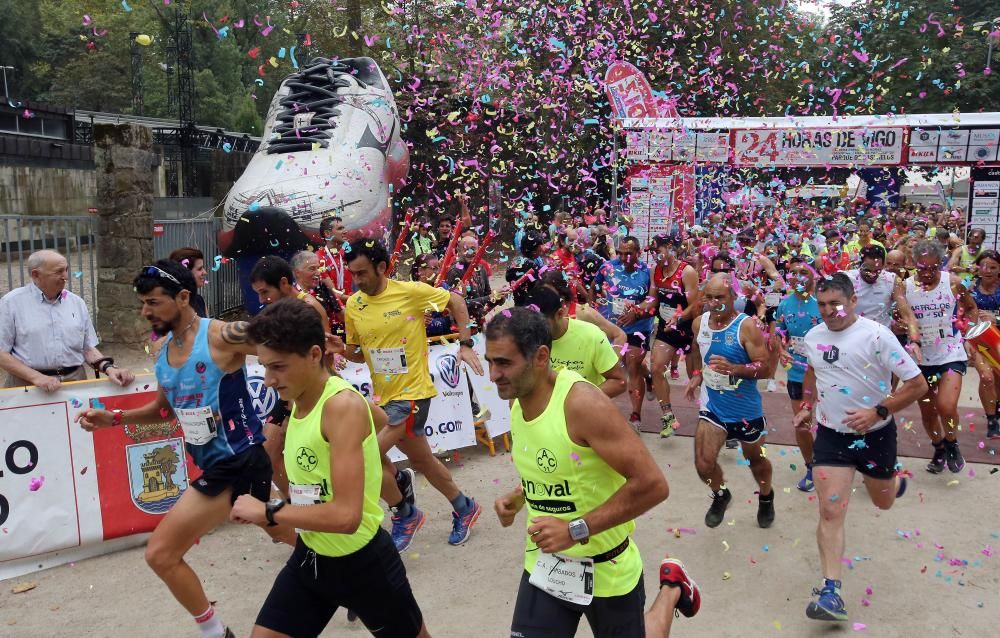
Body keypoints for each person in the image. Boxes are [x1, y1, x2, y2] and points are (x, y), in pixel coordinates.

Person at [75, 260, 286, 638]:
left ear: (184, 297)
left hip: (239, 459)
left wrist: (294, 402)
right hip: (217, 463)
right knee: (280, 529)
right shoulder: (164, 354)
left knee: (161, 553)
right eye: (143, 303)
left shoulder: (222, 334)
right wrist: (115, 419)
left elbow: (286, 347)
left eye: (153, 302)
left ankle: (216, 633)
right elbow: (163, 411)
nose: (145, 311)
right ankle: (349, 559)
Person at [486, 307, 701, 638]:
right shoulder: (518, 401)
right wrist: (519, 497)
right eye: (490, 361)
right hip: (547, 565)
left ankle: (672, 588)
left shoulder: (582, 404)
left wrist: (573, 530)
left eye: (504, 363)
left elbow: (653, 485)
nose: (493, 375)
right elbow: (563, 468)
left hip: (606, 567)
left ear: (541, 357)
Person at [233, 298, 430, 638]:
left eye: (277, 367)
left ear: (313, 355)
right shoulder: (300, 398)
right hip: (312, 558)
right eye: (264, 367)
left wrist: (269, 511)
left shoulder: (341, 406)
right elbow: (379, 418)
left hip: (364, 565)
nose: (268, 379)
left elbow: (346, 518)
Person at [794, 272, 927, 622]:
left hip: (876, 435)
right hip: (832, 435)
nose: (829, 311)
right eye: (822, 304)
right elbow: (812, 373)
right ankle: (830, 591)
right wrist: (807, 406)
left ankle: (894, 483)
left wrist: (878, 411)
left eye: (836, 303)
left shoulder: (877, 336)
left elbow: (917, 385)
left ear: (853, 301)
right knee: (830, 511)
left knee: (882, 500)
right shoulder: (813, 336)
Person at [343, 238, 484, 552]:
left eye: (362, 273)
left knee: (364, 454)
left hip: (413, 395)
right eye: (353, 274)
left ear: (382, 267)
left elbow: (457, 302)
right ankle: (464, 506)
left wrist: (465, 343)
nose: (357, 280)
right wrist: (337, 350)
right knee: (424, 461)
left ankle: (404, 512)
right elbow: (357, 355)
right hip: (385, 397)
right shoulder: (355, 304)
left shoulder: (411, 292)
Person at [684, 273, 775, 529]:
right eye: (709, 298)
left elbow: (765, 368)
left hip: (745, 410)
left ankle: (766, 497)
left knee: (757, 461)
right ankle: (722, 495)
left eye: (720, 297)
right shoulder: (699, 323)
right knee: (703, 464)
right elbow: (696, 351)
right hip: (713, 407)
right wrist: (696, 375)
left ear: (734, 297)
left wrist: (735, 368)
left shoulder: (746, 326)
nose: (714, 303)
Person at [0, 249, 134, 391]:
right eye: (58, 272)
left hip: (74, 384)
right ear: (36, 275)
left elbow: (86, 347)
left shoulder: (76, 303)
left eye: (66, 270)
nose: (66, 277)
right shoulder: (11, 303)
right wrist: (36, 377)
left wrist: (109, 368)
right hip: (27, 387)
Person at [904, 240, 976, 474]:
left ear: (941, 265)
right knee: (928, 412)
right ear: (914, 264)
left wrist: (970, 335)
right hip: (922, 359)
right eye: (921, 268)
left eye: (932, 268)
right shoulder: (905, 287)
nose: (926, 273)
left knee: (946, 405)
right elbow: (901, 317)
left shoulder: (953, 283)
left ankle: (952, 443)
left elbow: (972, 308)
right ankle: (938, 448)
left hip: (950, 353)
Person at [595, 236, 657, 429]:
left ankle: (635, 416)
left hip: (639, 328)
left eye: (628, 253)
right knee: (614, 365)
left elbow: (654, 301)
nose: (623, 257)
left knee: (632, 365)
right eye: (620, 253)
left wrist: (637, 314)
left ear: (638, 253)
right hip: (613, 328)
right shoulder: (608, 267)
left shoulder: (648, 272)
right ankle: (649, 376)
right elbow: (595, 288)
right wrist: (595, 303)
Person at [520, 284, 626, 397]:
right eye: (532, 323)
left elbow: (619, 382)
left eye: (542, 323)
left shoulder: (591, 335)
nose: (536, 329)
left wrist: (578, 400)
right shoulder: (527, 338)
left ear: (560, 314)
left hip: (585, 410)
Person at [775, 256, 823, 491]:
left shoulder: (824, 302)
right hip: (796, 373)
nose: (797, 277)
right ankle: (811, 467)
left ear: (814, 276)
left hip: (827, 374)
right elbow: (778, 331)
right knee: (802, 424)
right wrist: (781, 350)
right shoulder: (784, 304)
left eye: (803, 272)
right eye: (793, 272)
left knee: (830, 423)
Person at [649, 235, 700, 438]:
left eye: (657, 250)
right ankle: (668, 415)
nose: (654, 255)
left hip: (688, 330)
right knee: (656, 368)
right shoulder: (656, 270)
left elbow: (694, 306)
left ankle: (713, 412)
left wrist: (679, 318)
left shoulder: (687, 272)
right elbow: (652, 299)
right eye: (652, 252)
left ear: (670, 247)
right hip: (666, 329)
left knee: (696, 375)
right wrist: (635, 308)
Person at [967, 249, 1000, 439]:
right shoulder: (968, 288)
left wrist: (996, 318)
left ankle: (996, 408)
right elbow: (959, 316)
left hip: (998, 340)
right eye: (984, 266)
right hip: (978, 340)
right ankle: (992, 421)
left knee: (997, 379)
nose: (988, 270)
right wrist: (967, 340)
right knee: (986, 377)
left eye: (993, 267)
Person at [249, 256, 330, 329]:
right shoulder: (273, 310)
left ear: (284, 283)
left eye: (264, 292)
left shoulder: (311, 307)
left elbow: (325, 344)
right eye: (258, 293)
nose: (261, 300)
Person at [445, 234, 495, 330]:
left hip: (478, 322)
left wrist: (497, 298)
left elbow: (487, 296)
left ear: (478, 250)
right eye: (466, 249)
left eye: (473, 249)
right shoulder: (455, 271)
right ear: (458, 251)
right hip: (461, 327)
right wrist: (490, 297)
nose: (470, 252)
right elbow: (458, 305)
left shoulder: (481, 268)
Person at [291, 250, 342, 329]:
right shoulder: (291, 296)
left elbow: (342, 315)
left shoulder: (323, 289)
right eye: (312, 269)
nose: (318, 273)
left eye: (318, 268)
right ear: (297, 272)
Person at [315, 215, 353, 305]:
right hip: (336, 312)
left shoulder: (346, 253)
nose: (345, 231)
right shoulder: (319, 258)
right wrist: (359, 299)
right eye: (340, 228)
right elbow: (334, 293)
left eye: (343, 228)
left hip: (351, 305)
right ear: (327, 234)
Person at [170, 247, 209, 318]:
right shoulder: (172, 306)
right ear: (185, 272)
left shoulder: (199, 300)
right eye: (200, 269)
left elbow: (209, 328)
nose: (205, 272)